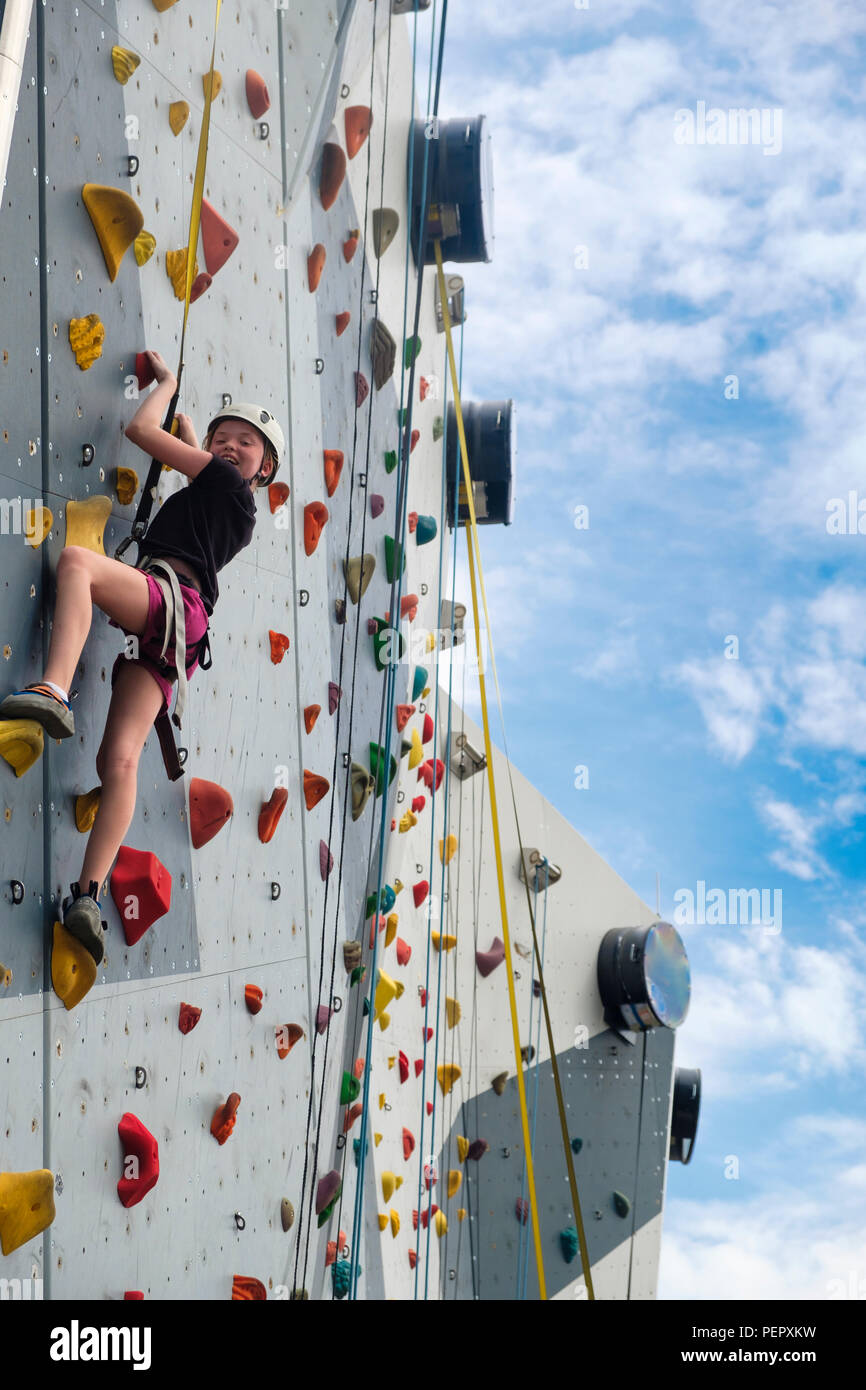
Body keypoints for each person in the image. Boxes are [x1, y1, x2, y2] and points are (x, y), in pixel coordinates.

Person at [0, 349, 284, 965]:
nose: (232, 446)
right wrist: (192, 435)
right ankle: (86, 896)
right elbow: (186, 457)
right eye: (223, 437)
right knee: (119, 761)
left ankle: (52, 689)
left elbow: (139, 432)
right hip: (182, 634)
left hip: (169, 600)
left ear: (263, 472)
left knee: (78, 565)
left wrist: (169, 383)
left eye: (247, 444)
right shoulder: (228, 501)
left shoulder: (226, 483)